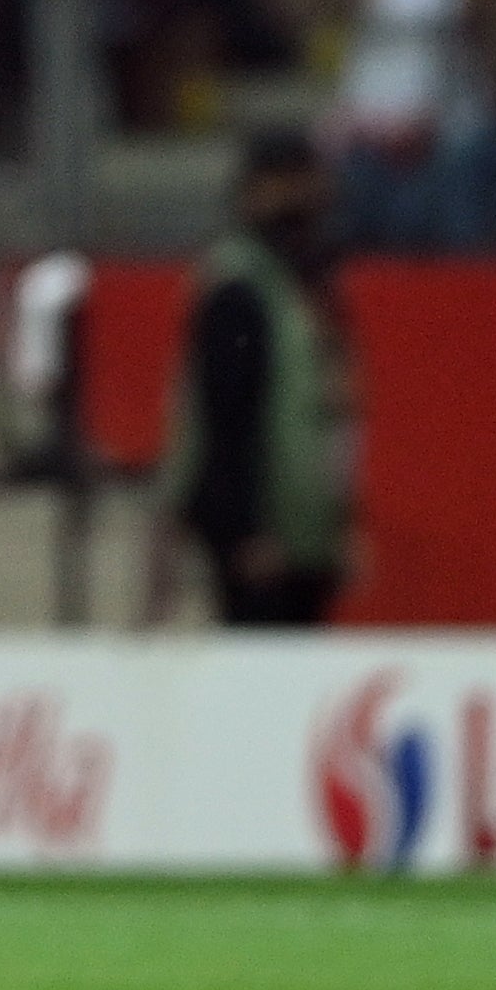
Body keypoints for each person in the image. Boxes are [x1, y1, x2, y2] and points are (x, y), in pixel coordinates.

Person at [158, 130, 355, 626]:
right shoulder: (239, 286)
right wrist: (245, 531)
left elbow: (333, 417)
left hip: (304, 528)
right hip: (263, 534)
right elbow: (226, 417)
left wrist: (341, 524)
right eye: (288, 183)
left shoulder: (301, 282)